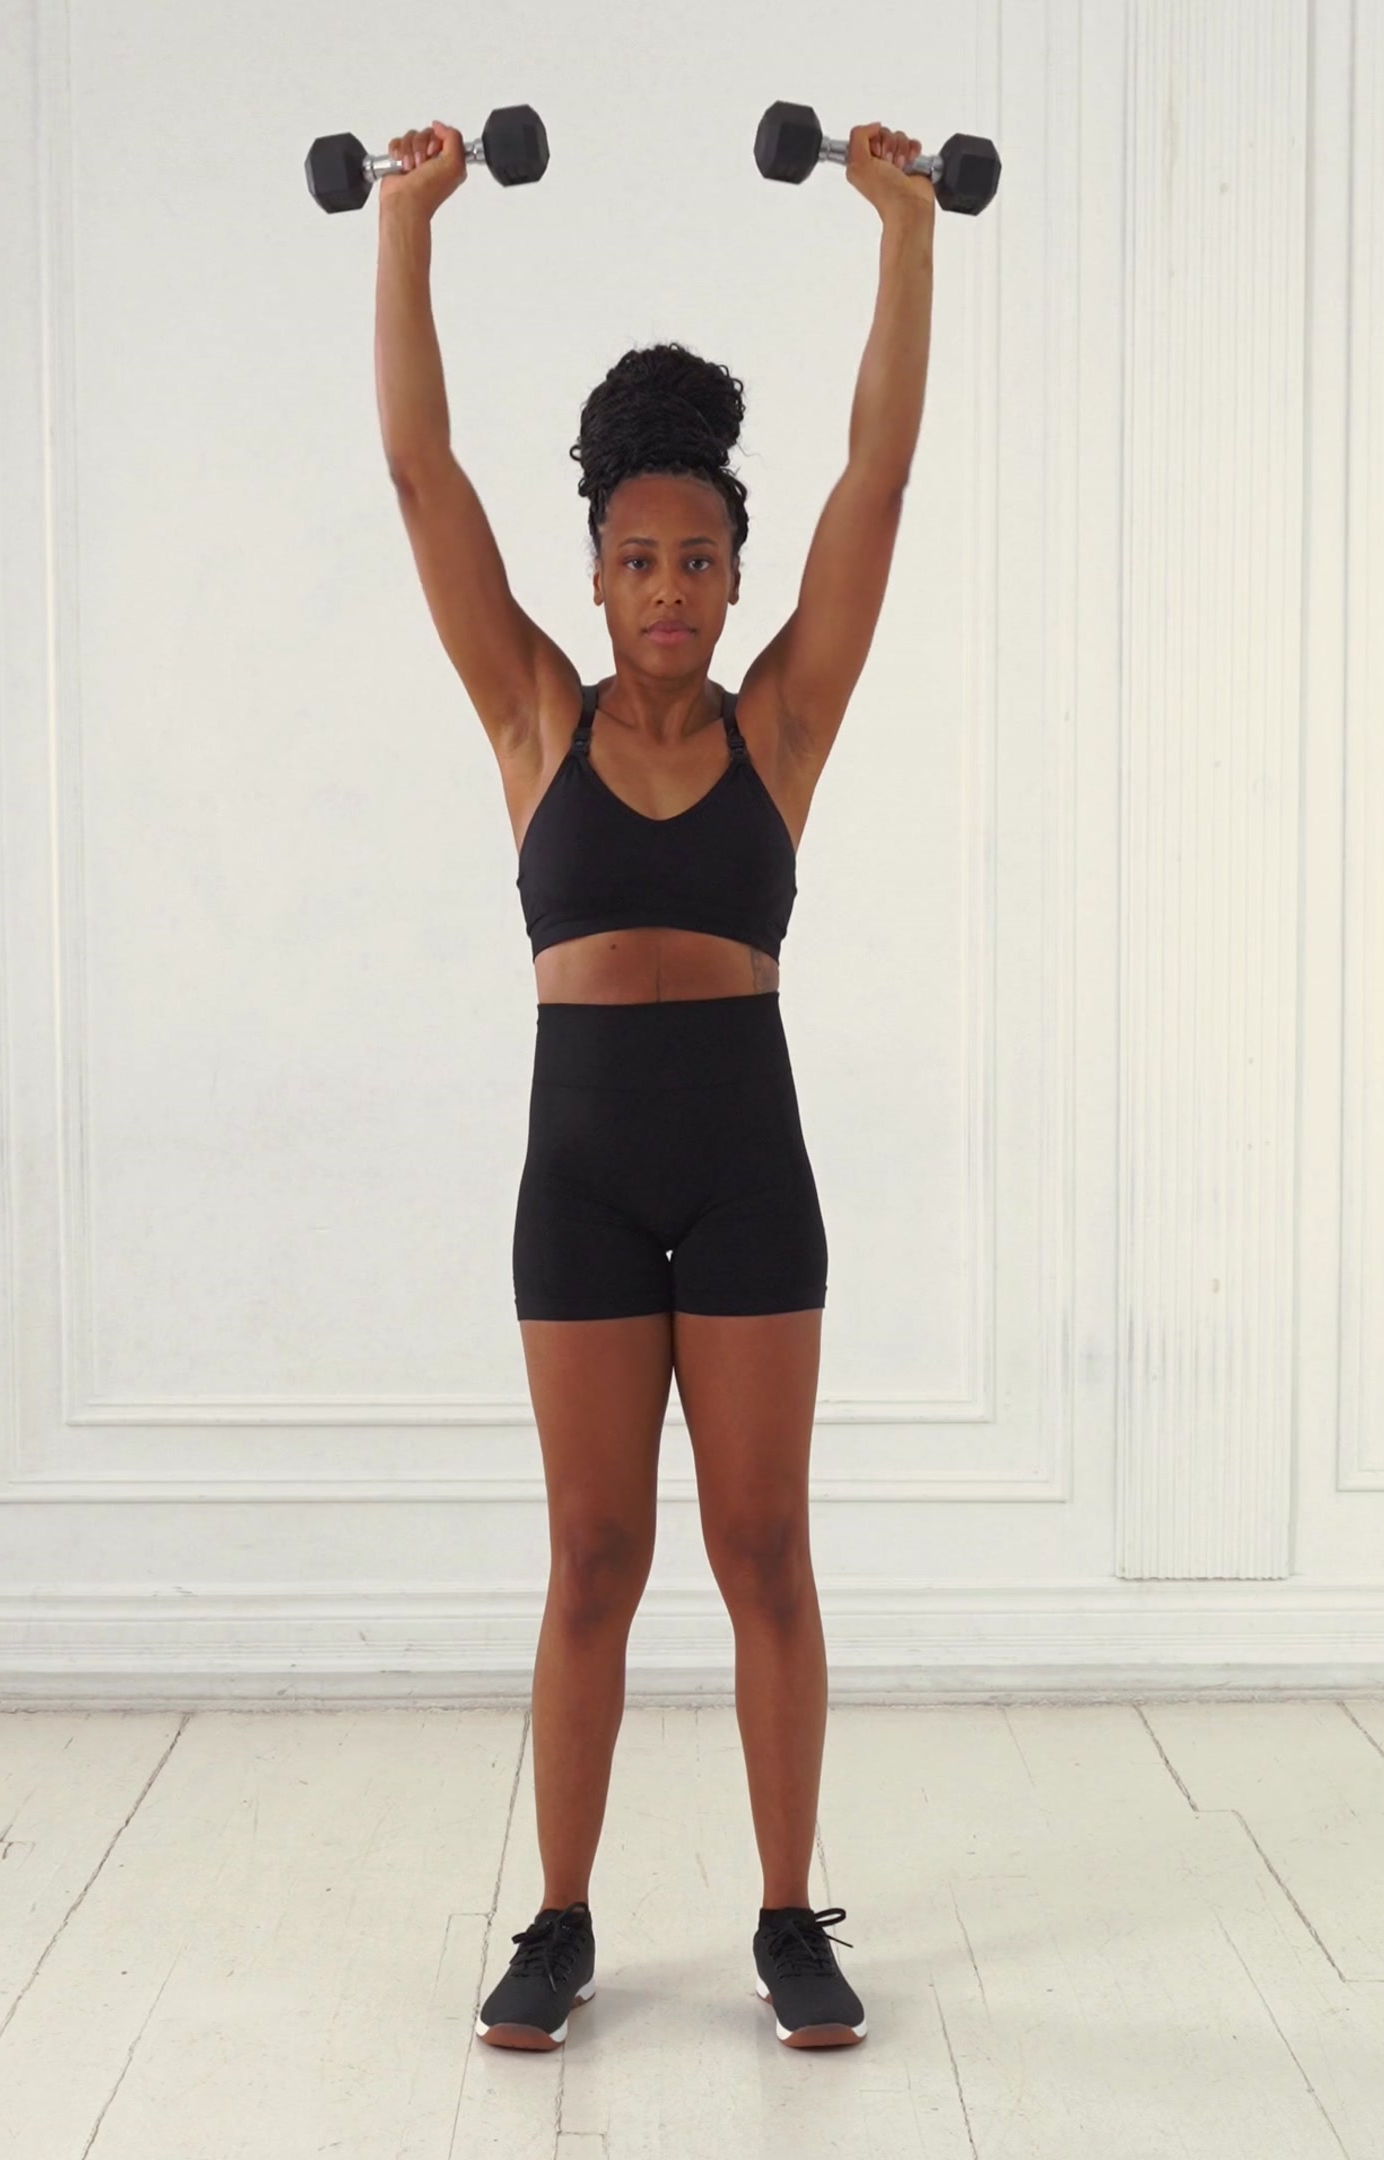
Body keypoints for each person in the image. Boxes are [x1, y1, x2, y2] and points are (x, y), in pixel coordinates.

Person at [372, 113, 933, 2051]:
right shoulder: (535, 718)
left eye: (699, 558)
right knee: (594, 1558)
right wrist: (407, 226)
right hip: (584, 1190)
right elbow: (421, 474)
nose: (670, 587)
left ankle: (786, 1915)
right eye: (638, 561)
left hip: (750, 1174)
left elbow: (879, 475)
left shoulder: (788, 722)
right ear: (597, 578)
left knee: (763, 1550)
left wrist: (904, 228)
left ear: (736, 571)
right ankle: (559, 1920)